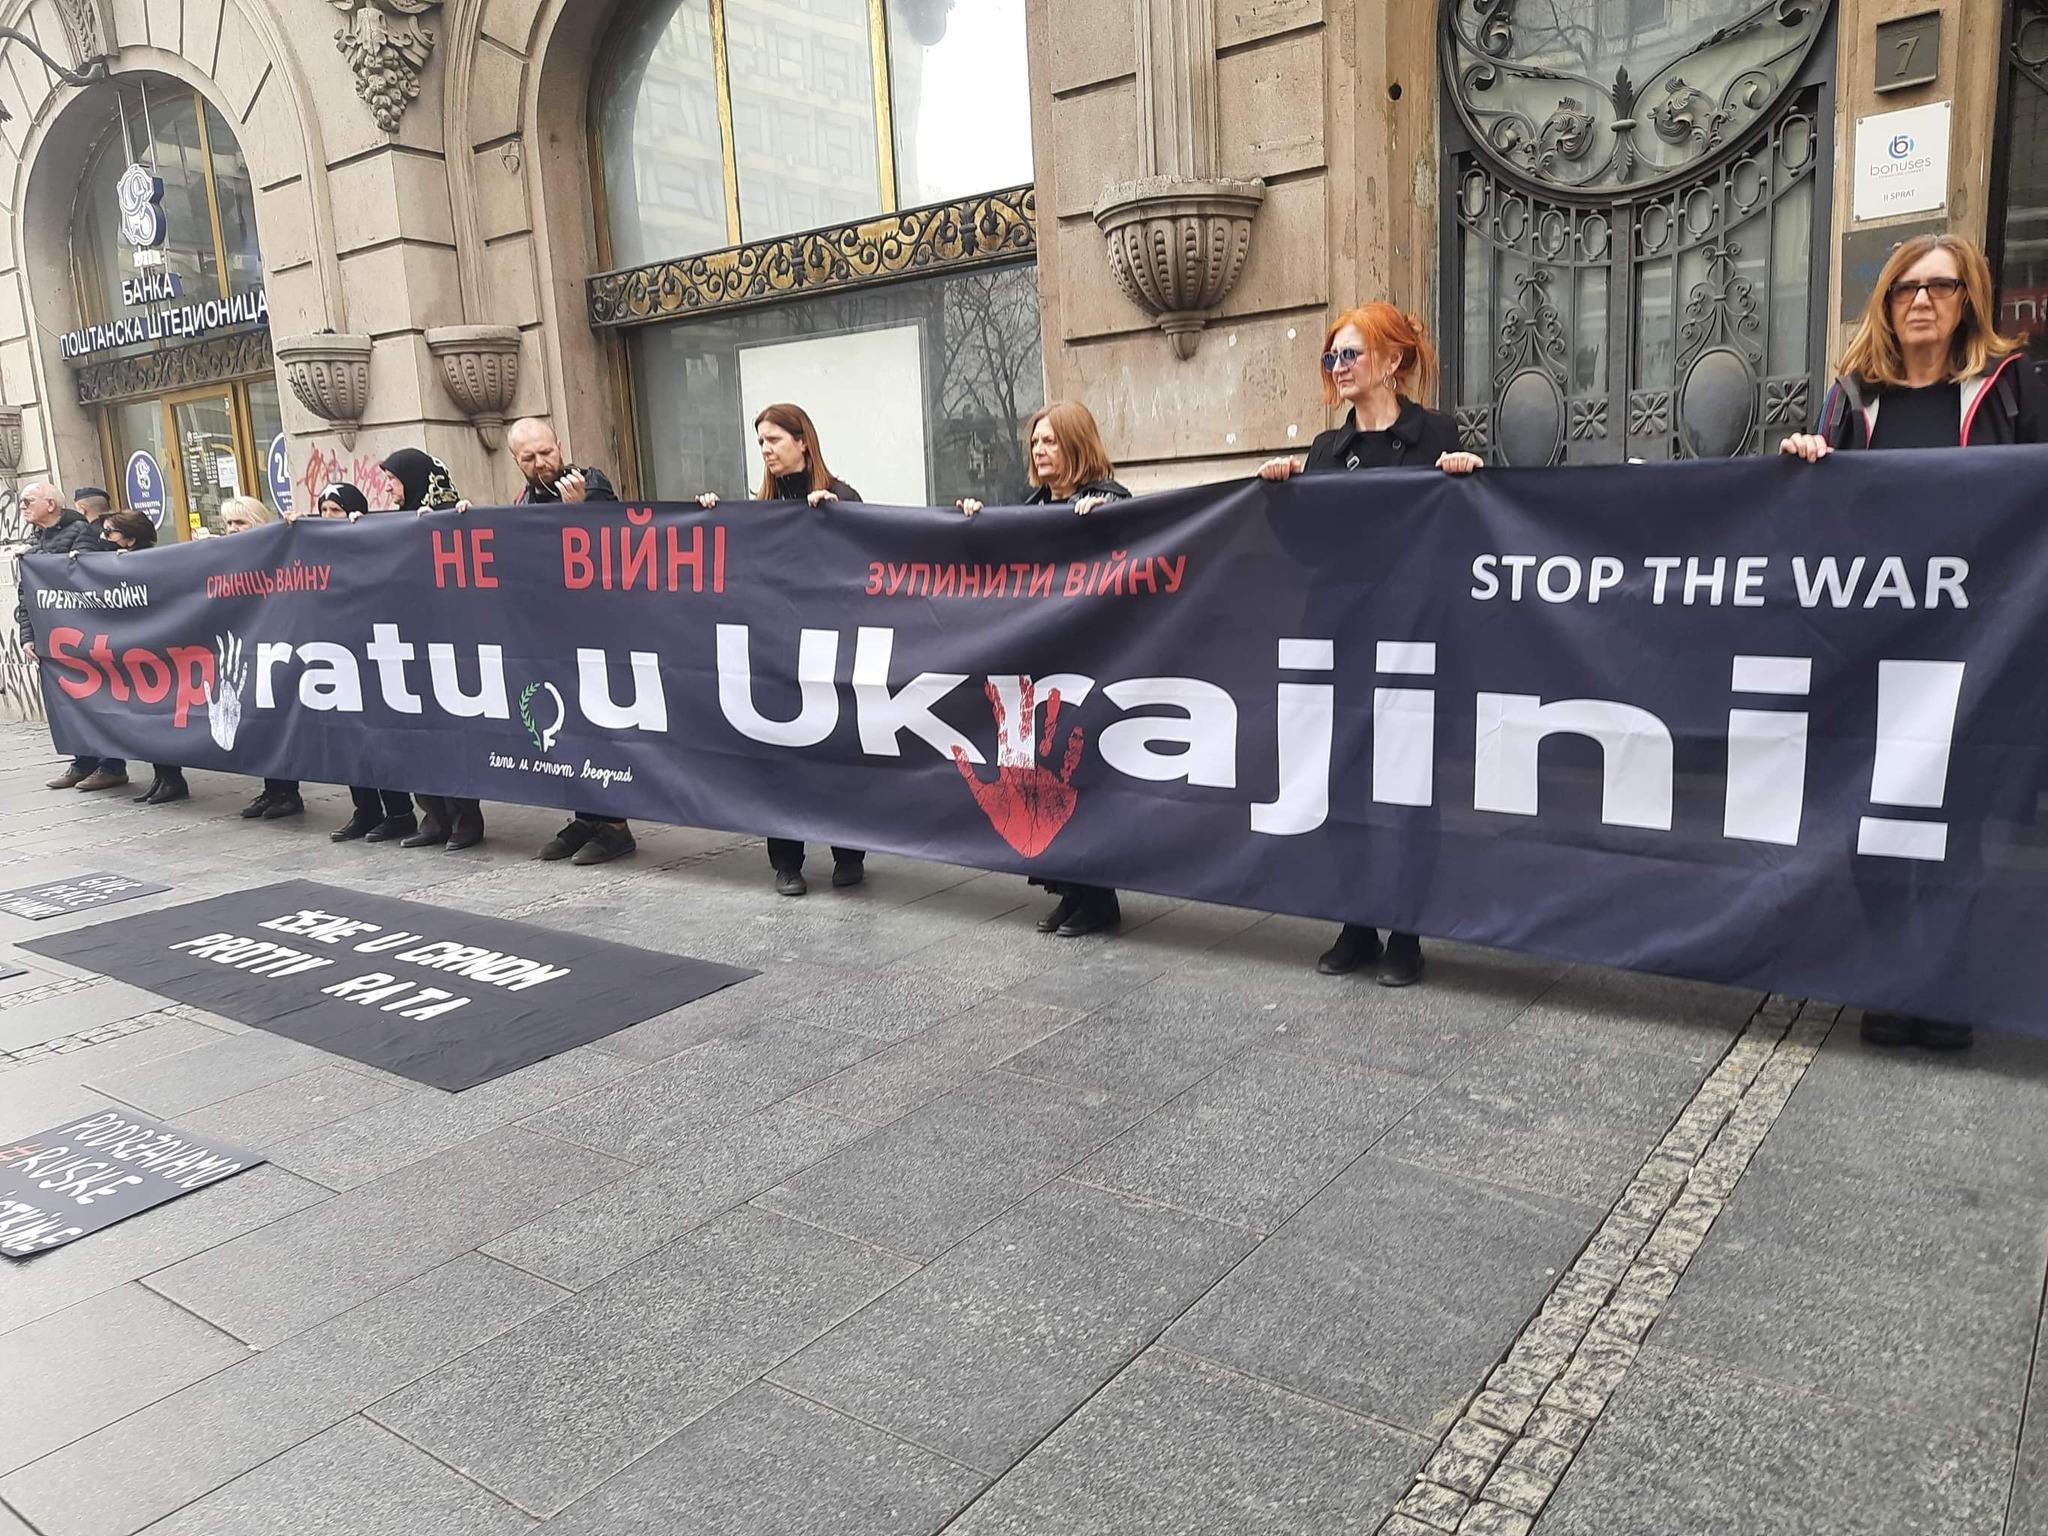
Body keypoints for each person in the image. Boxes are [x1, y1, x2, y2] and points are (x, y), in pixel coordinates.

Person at [1781, 232, 2045, 1053]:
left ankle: (1944, 985)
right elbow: (1811, 519)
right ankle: (1896, 975)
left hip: (1978, 647)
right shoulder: (1854, 398)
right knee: (1876, 818)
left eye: (1941, 287)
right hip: (1873, 647)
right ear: (1887, 304)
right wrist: (1804, 461)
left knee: (1953, 823)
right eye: (1906, 289)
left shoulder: (2013, 390)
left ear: (1969, 299)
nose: (1922, 300)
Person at [1259, 302, 1483, 987]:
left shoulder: (1434, 435)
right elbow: (1305, 550)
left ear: (1391, 361)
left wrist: (1471, 482)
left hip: (1412, 638)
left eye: (1350, 355)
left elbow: (1471, 537)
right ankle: (1356, 923)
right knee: (1344, 780)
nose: (1338, 368)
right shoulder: (1328, 451)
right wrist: (1281, 495)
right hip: (1340, 635)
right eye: (1331, 358)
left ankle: (1406, 934)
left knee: (1410, 786)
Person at [958, 402, 1133, 939]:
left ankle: (1098, 897)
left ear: (1077, 444)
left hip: (1088, 663)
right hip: (1039, 663)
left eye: (1051, 441)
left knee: (1077, 778)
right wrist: (976, 520)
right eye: (1035, 442)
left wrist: (1104, 511)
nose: (1040, 450)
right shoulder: (1031, 505)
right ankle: (1067, 891)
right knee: (1036, 780)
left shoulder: (1111, 499)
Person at [698, 404, 864, 895]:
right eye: (761, 443)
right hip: (774, 647)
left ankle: (848, 850)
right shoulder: (758, 509)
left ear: (802, 441)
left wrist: (838, 519)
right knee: (779, 756)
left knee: (834, 751)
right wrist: (710, 517)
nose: (767, 451)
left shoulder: (842, 496)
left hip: (828, 647)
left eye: (774, 440)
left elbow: (864, 566)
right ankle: (786, 861)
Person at [504, 418, 636, 868]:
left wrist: (578, 510)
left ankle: (615, 826)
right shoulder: (524, 500)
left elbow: (611, 547)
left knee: (599, 727)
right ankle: (586, 817)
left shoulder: (590, 484)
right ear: (516, 461)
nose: (542, 463)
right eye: (529, 458)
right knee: (567, 729)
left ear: (559, 445)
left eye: (546, 452)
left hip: (597, 632)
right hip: (551, 633)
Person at [383, 448, 486, 853]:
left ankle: (464, 817)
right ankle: (432, 815)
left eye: (393, 479)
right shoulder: (395, 521)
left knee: (450, 734)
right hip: (406, 644)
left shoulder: (450, 516)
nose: (388, 487)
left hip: (446, 643)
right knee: (414, 732)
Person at [314, 481, 417, 845]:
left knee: (379, 736)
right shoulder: (314, 547)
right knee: (348, 738)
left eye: (335, 511)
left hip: (373, 653)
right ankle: (366, 808)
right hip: (335, 655)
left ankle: (399, 811)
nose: (327, 518)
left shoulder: (370, 541)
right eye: (323, 511)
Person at [14, 482, 126, 791]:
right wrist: (28, 634)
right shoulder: (35, 539)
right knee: (67, 701)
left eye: (28, 500)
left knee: (98, 696)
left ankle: (112, 764)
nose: (22, 506)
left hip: (85, 633)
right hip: (53, 636)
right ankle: (83, 760)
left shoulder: (83, 532)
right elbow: (28, 594)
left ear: (50, 504)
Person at [217, 496, 304, 821]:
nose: (232, 530)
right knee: (259, 718)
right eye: (228, 524)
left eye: (240, 523)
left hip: (277, 647)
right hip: (247, 646)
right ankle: (273, 788)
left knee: (277, 717)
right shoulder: (229, 555)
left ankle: (288, 792)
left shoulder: (276, 550)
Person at [99, 511, 191, 806]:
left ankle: (172, 778)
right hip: (136, 650)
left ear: (130, 537)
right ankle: (162, 776)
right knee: (145, 716)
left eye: (110, 534)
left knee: (159, 715)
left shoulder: (156, 561)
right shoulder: (115, 562)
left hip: (157, 650)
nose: (105, 539)